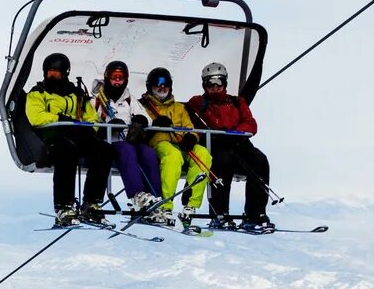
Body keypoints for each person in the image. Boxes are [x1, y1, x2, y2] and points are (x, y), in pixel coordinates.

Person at [23, 54, 109, 225]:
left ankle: (91, 203)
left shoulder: (77, 95)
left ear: (65, 72)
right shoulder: (38, 93)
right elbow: (36, 117)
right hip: (52, 137)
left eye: (56, 71)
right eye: (50, 71)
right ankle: (63, 206)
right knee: (66, 150)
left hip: (76, 135)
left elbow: (92, 118)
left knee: (104, 150)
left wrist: (89, 130)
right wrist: (59, 119)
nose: (52, 74)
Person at [187, 61, 271, 229]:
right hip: (216, 145)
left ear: (224, 83)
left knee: (260, 161)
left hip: (239, 144)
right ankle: (220, 213)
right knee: (222, 162)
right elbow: (191, 121)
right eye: (210, 83)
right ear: (204, 84)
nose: (214, 87)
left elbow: (250, 123)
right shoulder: (197, 103)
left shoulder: (237, 102)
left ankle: (255, 213)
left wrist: (236, 135)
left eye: (218, 82)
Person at [138, 67, 209, 222]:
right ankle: (165, 205)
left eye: (166, 84)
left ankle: (190, 203)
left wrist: (191, 138)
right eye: (158, 84)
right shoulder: (144, 106)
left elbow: (190, 128)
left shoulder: (179, 108)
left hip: (180, 143)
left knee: (203, 154)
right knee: (173, 156)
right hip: (159, 143)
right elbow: (140, 128)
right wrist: (155, 124)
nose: (162, 87)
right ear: (150, 86)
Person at [92, 60, 155, 212]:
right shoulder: (96, 100)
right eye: (114, 77)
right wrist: (105, 128)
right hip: (110, 142)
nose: (117, 81)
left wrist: (139, 122)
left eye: (121, 77)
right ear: (107, 77)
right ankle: (137, 195)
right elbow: (90, 122)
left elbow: (147, 118)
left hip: (129, 139)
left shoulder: (129, 99)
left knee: (148, 153)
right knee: (126, 150)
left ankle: (155, 198)